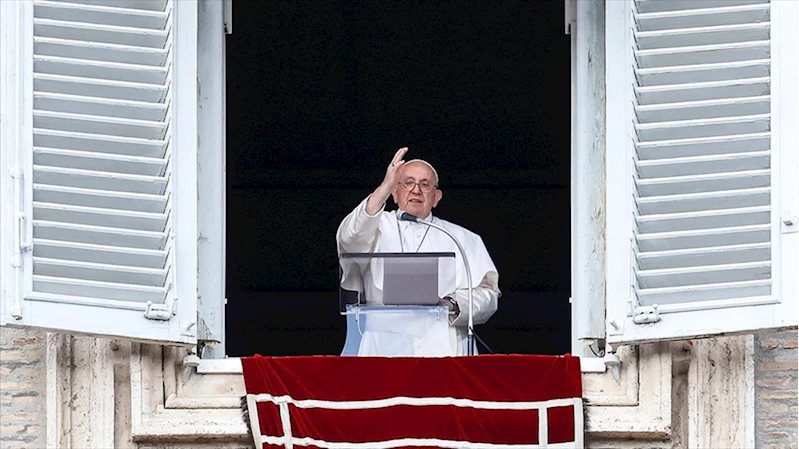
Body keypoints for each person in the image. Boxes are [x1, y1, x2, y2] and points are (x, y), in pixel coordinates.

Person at [336, 147, 500, 356]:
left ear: (436, 197)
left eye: (425, 184)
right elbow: (349, 238)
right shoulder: (375, 225)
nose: (416, 190)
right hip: (384, 345)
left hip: (443, 346)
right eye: (408, 183)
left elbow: (488, 294)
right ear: (395, 192)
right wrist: (385, 185)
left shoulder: (461, 237)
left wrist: (453, 304)